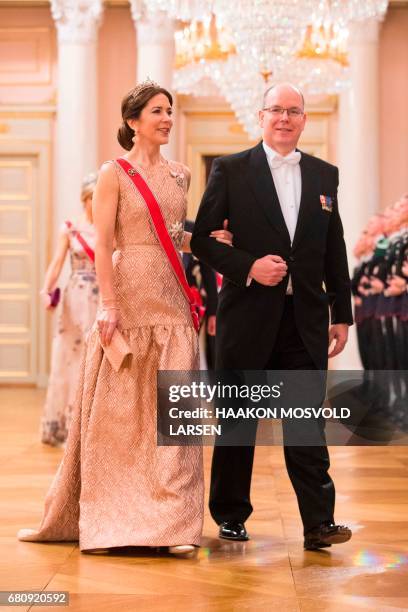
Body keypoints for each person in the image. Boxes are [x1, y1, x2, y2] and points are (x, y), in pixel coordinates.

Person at [18, 80, 232, 555]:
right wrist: (109, 305)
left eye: (170, 111)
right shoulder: (112, 173)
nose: (167, 119)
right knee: (122, 413)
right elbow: (106, 243)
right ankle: (119, 514)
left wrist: (213, 245)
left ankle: (174, 524)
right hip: (130, 294)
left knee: (174, 412)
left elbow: (176, 237)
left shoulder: (180, 175)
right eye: (157, 111)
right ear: (134, 121)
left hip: (173, 297)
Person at [191, 82, 354, 551]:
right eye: (276, 110)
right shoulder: (231, 169)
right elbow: (202, 239)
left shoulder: (325, 174)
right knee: (238, 419)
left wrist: (340, 312)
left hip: (303, 319)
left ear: (304, 120)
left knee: (305, 420)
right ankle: (230, 514)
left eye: (294, 111)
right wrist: (248, 267)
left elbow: (333, 249)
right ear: (260, 117)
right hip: (247, 318)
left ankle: (319, 522)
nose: (285, 118)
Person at [40, 173, 99, 446]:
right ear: (86, 198)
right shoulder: (71, 228)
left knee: (96, 361)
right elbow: (56, 263)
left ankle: (92, 427)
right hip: (76, 299)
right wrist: (46, 289)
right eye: (94, 197)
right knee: (72, 359)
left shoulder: (110, 229)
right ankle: (69, 425)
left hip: (102, 299)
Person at [183, 219, 219, 368]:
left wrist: (213, 312)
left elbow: (207, 271)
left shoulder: (194, 229)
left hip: (193, 307)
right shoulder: (153, 225)